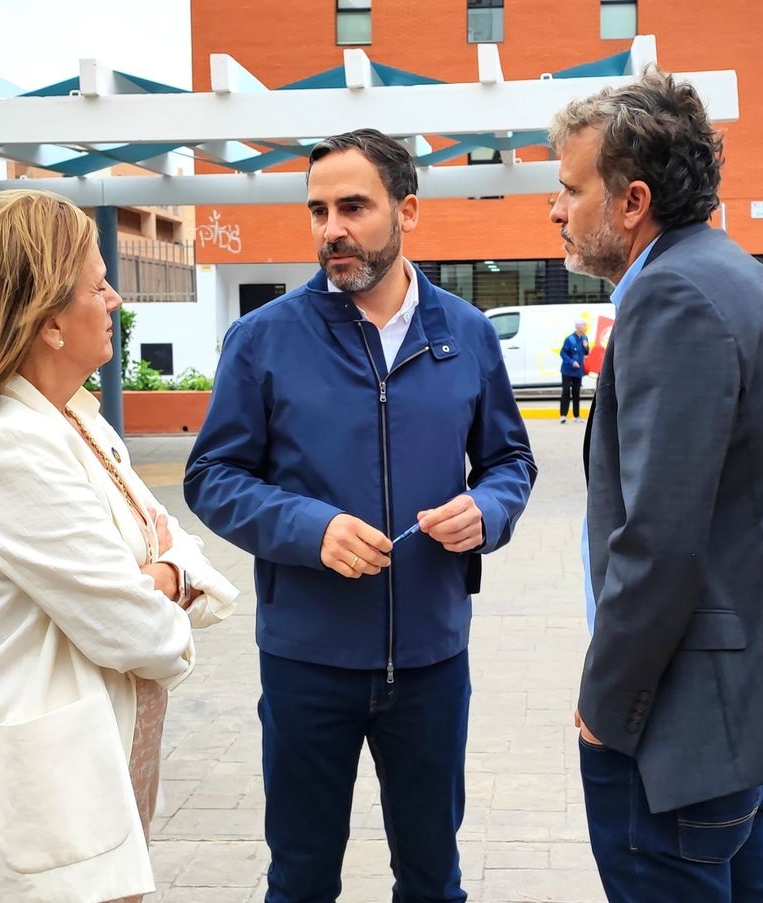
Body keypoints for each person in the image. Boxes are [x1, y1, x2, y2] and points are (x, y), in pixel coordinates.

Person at [184, 128, 536, 903]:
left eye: (353, 206)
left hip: (432, 663)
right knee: (302, 880)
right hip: (307, 664)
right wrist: (310, 529)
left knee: (433, 880)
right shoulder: (263, 339)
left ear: (407, 208)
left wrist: (488, 509)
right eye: (317, 210)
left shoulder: (467, 335)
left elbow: (512, 461)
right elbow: (211, 475)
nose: (331, 228)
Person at [548, 72, 763, 902]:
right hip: (729, 705)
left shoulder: (672, 295)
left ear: (631, 200)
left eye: (571, 188)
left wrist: (607, 702)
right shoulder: (743, 282)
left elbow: (659, 538)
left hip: (672, 727)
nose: (557, 209)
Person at [0, 189, 238, 902]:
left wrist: (156, 573)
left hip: (102, 767)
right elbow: (138, 632)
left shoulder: (75, 423)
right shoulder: (10, 446)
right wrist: (160, 582)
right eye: (97, 284)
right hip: (56, 787)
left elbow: (179, 544)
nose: (116, 299)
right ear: (49, 321)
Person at [559, 320, 591, 422]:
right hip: (567, 370)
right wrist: (572, 362)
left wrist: (586, 347)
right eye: (584, 325)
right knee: (566, 392)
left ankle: (576, 416)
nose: (586, 327)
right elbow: (563, 353)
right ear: (578, 327)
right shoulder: (569, 339)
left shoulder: (585, 338)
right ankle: (563, 415)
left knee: (576, 392)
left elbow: (586, 353)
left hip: (578, 371)